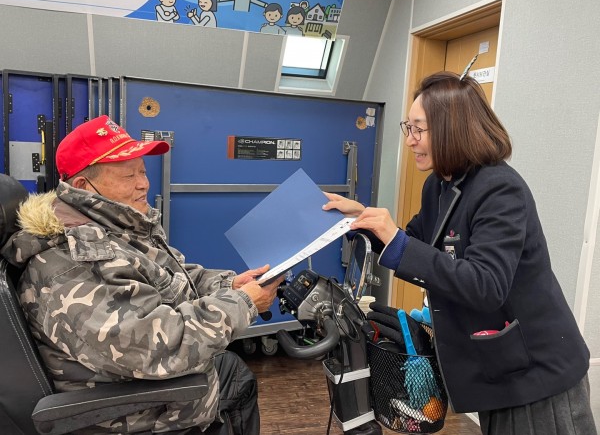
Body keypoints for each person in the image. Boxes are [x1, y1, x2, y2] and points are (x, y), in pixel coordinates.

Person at [323, 71, 596, 435]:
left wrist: (395, 238)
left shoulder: (500, 189)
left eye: (419, 130)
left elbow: (486, 285)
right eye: (409, 128)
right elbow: (413, 245)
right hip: (497, 368)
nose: (410, 141)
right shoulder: (439, 185)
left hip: (536, 373)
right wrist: (364, 220)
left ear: (452, 129)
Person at [0, 115, 280, 435]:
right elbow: (156, 346)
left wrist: (229, 284)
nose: (143, 183)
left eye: (143, 171)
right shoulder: (71, 266)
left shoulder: (112, 232)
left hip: (144, 382)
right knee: (234, 377)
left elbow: (169, 277)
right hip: (132, 413)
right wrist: (242, 303)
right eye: (128, 175)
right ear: (82, 187)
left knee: (235, 373)